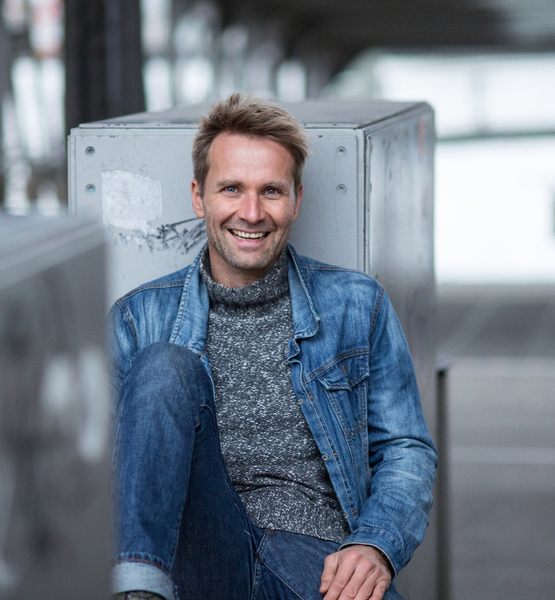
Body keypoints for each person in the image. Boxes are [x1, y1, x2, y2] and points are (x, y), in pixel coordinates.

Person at [109, 93, 437, 600]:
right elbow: (106, 473)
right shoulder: (138, 318)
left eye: (271, 191)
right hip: (200, 557)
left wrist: (376, 544)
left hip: (316, 558)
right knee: (163, 366)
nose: (251, 212)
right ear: (198, 197)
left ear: (296, 200)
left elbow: (404, 448)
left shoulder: (356, 303)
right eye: (231, 188)